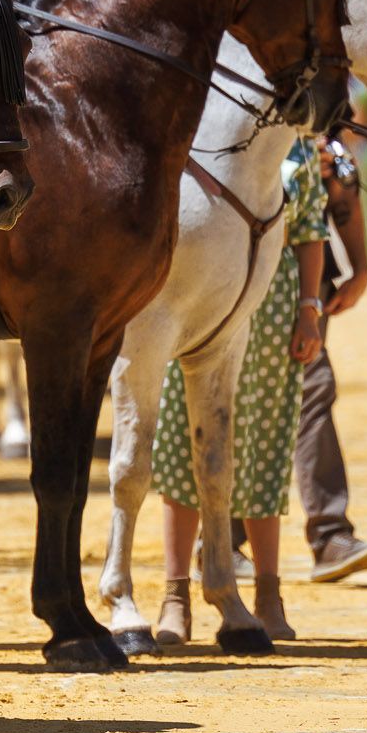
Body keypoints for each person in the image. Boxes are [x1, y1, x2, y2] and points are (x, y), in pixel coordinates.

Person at [146, 137, 329, 646]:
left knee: (265, 451)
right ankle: (176, 596)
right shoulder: (201, 135)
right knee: (180, 446)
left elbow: (311, 231)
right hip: (199, 308)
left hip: (271, 317)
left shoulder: (298, 148)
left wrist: (309, 310)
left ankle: (269, 596)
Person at [296, 138, 367, 582]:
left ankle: (330, 535)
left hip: (310, 272)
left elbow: (342, 177)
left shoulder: (324, 114)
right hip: (240, 267)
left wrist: (361, 266)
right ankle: (219, 539)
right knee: (239, 397)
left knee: (312, 390)